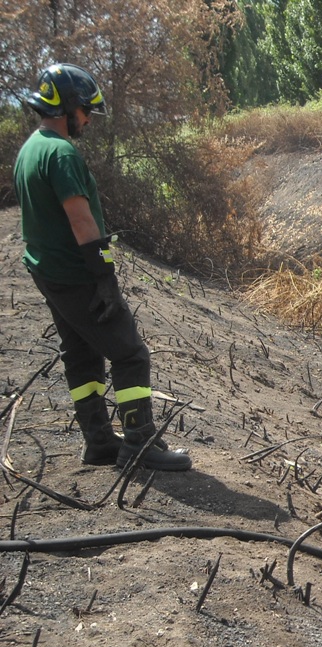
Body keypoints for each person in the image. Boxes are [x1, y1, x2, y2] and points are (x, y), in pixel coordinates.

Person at [13, 63, 191, 471]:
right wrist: (104, 277)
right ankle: (139, 443)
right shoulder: (60, 153)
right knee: (130, 354)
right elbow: (81, 220)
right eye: (86, 111)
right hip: (75, 275)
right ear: (69, 106)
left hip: (49, 273)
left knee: (81, 354)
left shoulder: (31, 149)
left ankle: (98, 443)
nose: (88, 120)